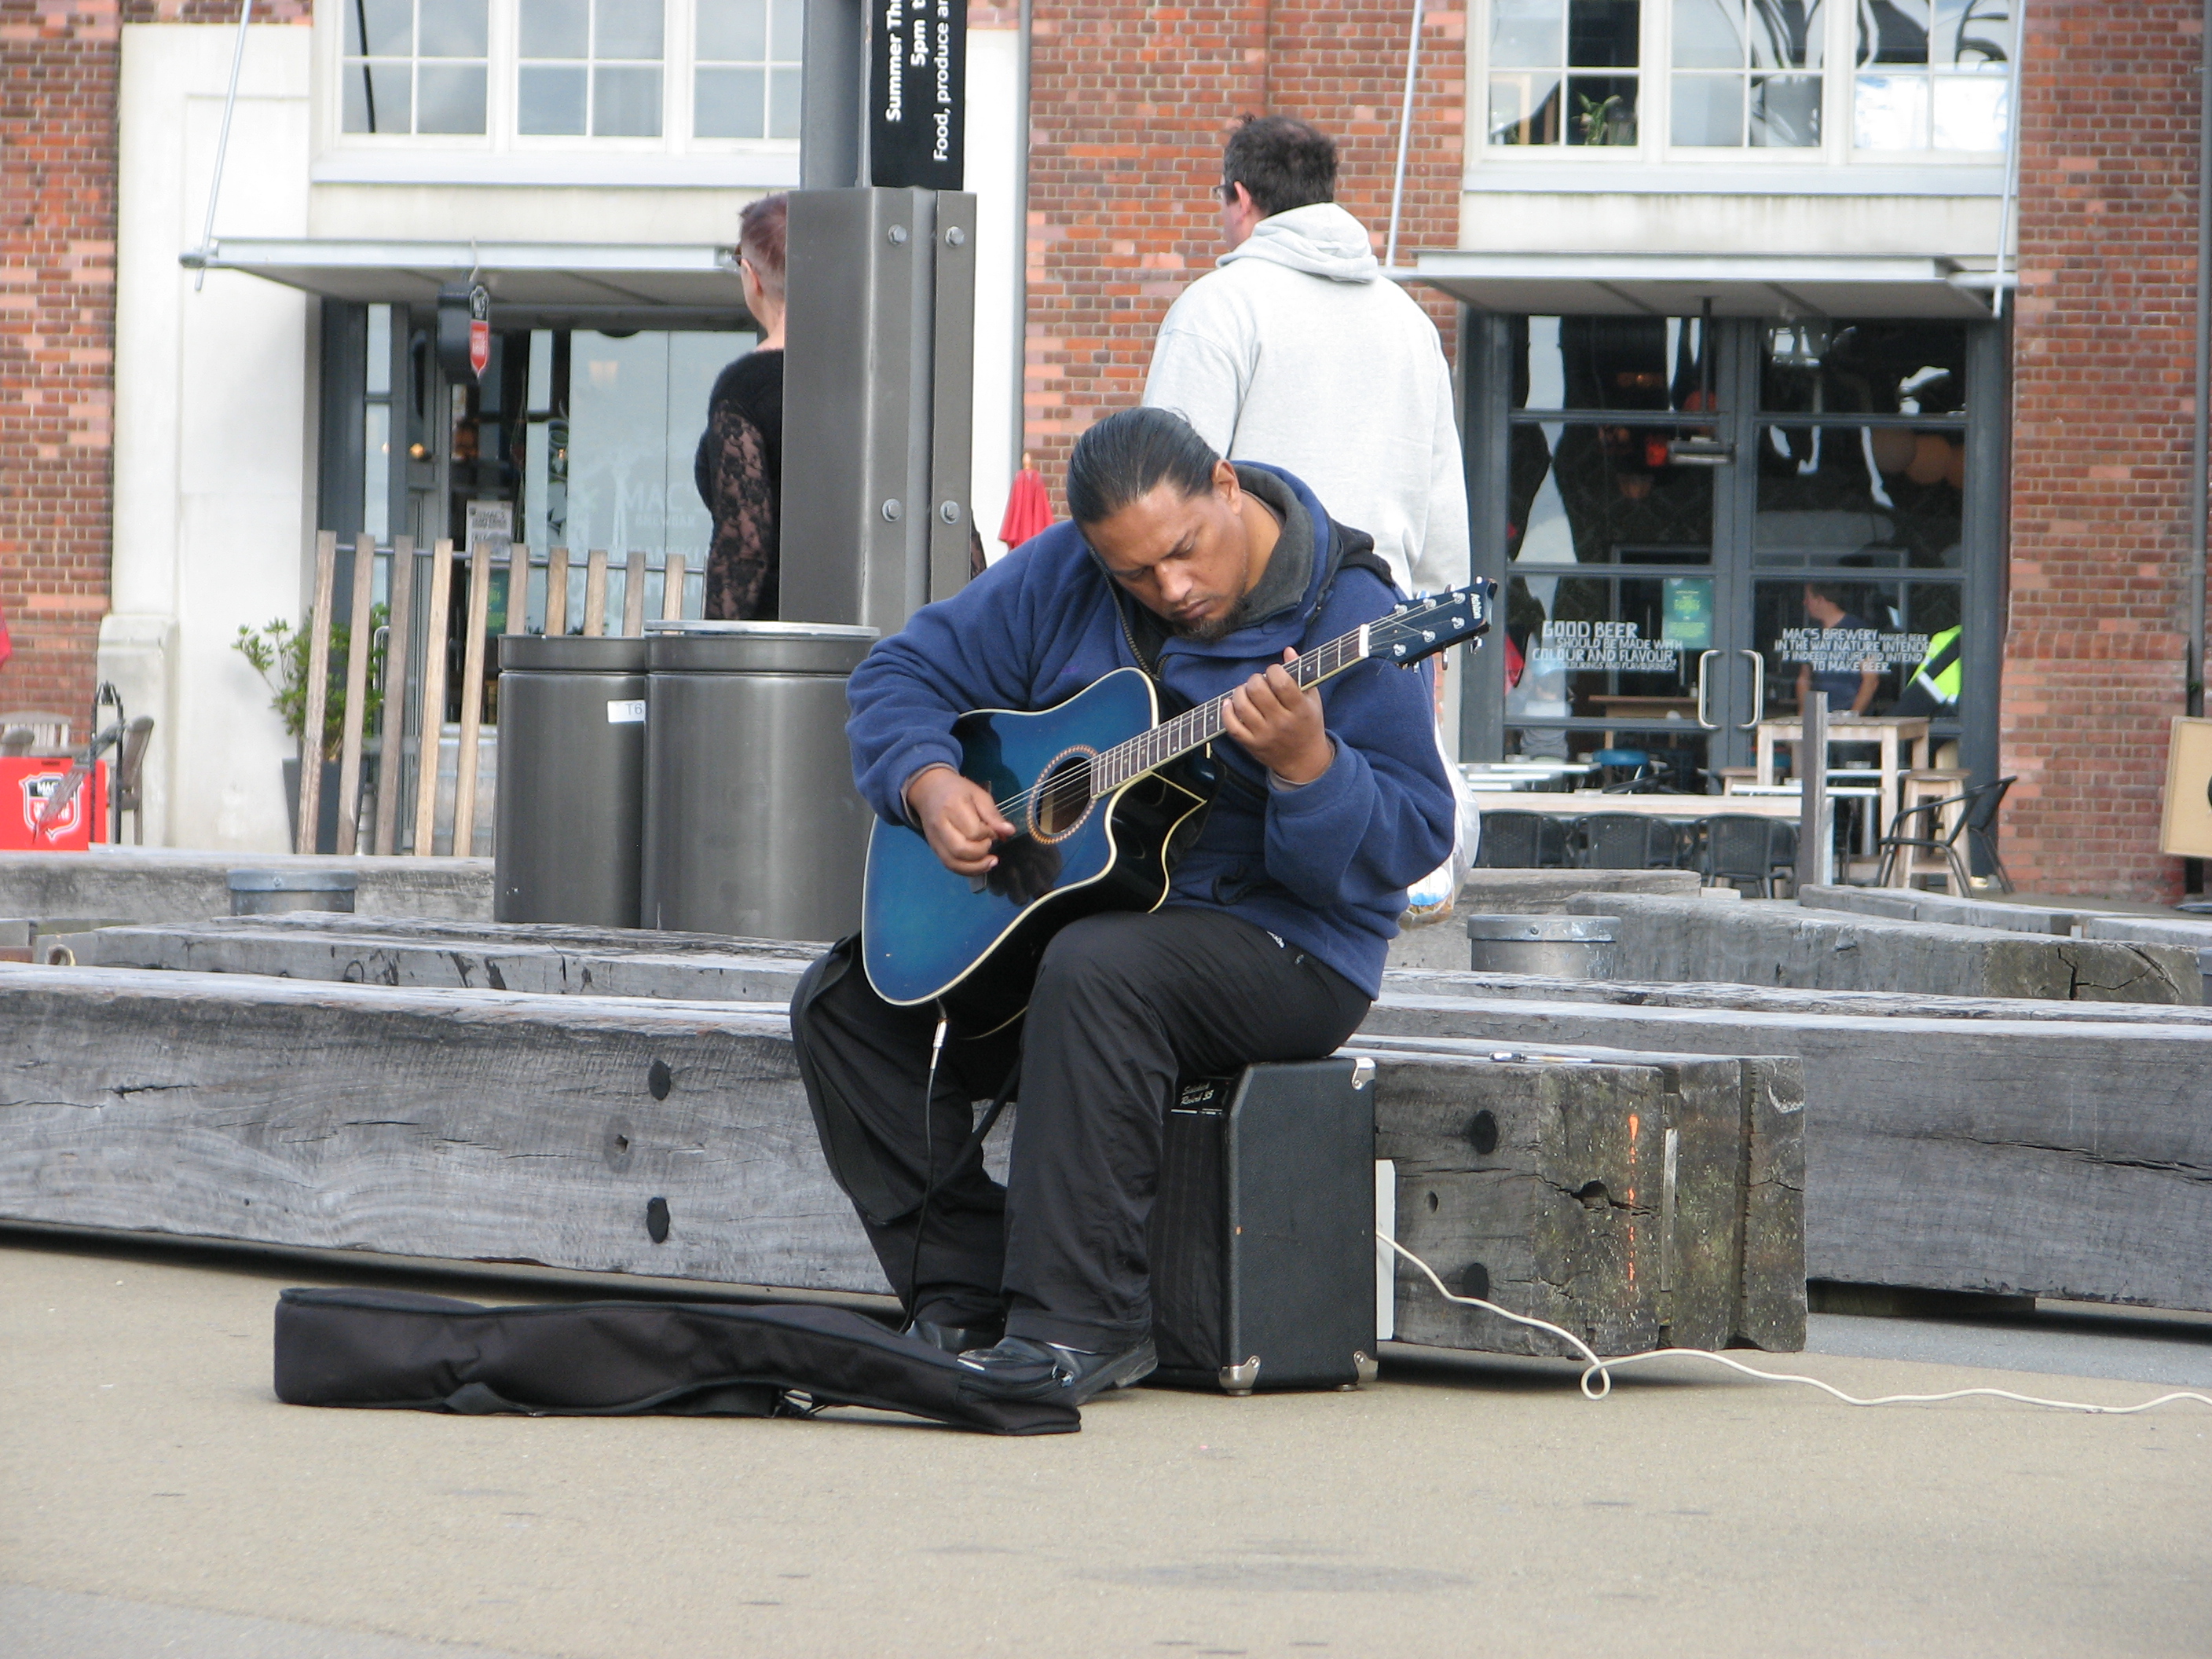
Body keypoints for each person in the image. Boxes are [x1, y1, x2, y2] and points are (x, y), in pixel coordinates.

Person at [789, 407, 1456, 1404]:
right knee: (842, 1007)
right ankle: (964, 1299)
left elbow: (1412, 836)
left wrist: (1309, 769)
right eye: (1135, 574)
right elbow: (901, 670)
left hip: (1287, 947)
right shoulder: (1064, 571)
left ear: (1225, 486)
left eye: (1183, 552)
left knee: (1098, 970)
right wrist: (928, 782)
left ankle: (1077, 1325)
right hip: (1080, 925)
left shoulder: (1351, 617)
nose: (1171, 590)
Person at [1141, 115, 1467, 600]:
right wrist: (1443, 612)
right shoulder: (1412, 323)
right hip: (1389, 620)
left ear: (1241, 198)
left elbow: (1166, 488)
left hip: (1259, 628)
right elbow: (1442, 501)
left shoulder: (1216, 307)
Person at [695, 193, 786, 619]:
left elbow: (743, 548)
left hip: (783, 657)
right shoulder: (888, 372)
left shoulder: (745, 387)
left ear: (753, 276)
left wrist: (715, 665)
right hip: (896, 647)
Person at [1795, 583, 1880, 715]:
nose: (1804, 603)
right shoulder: (1813, 634)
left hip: (1852, 719)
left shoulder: (1857, 630)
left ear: (1820, 600)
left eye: (1808, 598)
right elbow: (1804, 678)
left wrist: (1853, 716)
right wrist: (1804, 714)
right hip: (1818, 718)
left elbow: (1871, 680)